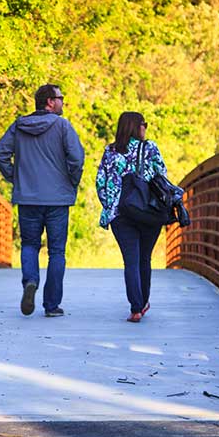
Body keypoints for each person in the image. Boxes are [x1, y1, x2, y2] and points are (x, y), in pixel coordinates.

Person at [0, 84, 85, 317]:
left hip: (28, 198)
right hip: (57, 199)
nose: (63, 101)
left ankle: (30, 282)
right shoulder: (63, 126)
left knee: (30, 245)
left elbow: (0, 153)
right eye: (60, 98)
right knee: (56, 252)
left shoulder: (19, 125)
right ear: (49, 102)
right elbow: (77, 157)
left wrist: (15, 177)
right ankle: (52, 305)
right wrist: (71, 181)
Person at [95, 111, 168, 323]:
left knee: (131, 261)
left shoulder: (110, 151)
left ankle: (135, 307)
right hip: (147, 213)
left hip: (121, 214)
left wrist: (111, 206)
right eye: (143, 124)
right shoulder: (150, 148)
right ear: (137, 127)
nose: (146, 128)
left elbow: (101, 181)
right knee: (145, 258)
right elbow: (161, 175)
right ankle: (143, 303)